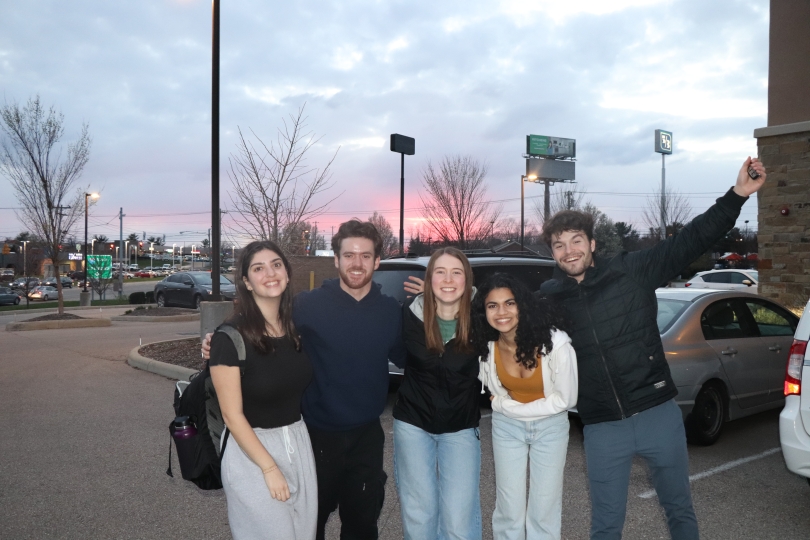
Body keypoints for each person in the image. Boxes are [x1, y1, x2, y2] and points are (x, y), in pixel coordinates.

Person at [538, 157, 767, 540]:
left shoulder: (630, 271)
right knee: (606, 525)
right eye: (559, 245)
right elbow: (504, 314)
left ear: (592, 243)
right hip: (602, 425)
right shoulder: (550, 297)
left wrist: (737, 195)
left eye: (576, 240)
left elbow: (689, 240)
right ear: (553, 253)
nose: (569, 250)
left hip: (657, 412)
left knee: (679, 510)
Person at [203, 220, 406, 540]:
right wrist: (216, 339)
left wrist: (445, 306)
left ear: (377, 261)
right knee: (307, 526)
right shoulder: (306, 306)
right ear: (335, 260)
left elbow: (417, 356)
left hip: (366, 438)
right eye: (349, 255)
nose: (357, 263)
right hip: (314, 435)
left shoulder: (391, 311)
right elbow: (260, 325)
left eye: (366, 256)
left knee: (363, 526)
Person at [208, 240, 317, 540]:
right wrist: (269, 468)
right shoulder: (229, 338)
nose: (270, 273)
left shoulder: (294, 328)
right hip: (252, 453)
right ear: (246, 281)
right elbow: (232, 416)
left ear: (287, 271)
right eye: (258, 268)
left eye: (276, 264)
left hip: (297, 440)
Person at [472, 273, 578, 540]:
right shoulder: (487, 346)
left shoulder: (555, 343)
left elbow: (566, 400)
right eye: (492, 305)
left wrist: (508, 408)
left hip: (550, 427)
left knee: (544, 509)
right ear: (483, 311)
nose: (502, 312)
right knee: (509, 509)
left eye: (510, 303)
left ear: (523, 305)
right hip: (507, 429)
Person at [393, 247, 483, 540]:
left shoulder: (482, 320)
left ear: (467, 280)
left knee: (458, 520)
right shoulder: (409, 314)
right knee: (420, 514)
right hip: (412, 423)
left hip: (460, 426)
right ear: (429, 277)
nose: (448, 279)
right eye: (440, 272)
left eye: (456, 272)